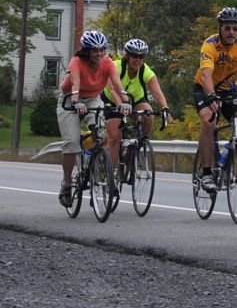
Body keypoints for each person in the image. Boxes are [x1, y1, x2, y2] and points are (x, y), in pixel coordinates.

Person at [56, 31, 131, 206]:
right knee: (72, 144)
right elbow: (75, 84)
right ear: (87, 51)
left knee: (101, 134)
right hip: (69, 99)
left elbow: (117, 83)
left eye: (102, 50)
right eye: (95, 50)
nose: (99, 54)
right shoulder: (76, 62)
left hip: (93, 98)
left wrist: (125, 102)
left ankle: (98, 169)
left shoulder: (108, 63)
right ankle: (67, 184)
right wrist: (76, 102)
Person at [192, 7, 237, 193]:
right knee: (209, 120)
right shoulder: (210, 44)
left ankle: (228, 163)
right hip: (205, 88)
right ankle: (206, 173)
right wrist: (212, 96)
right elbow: (206, 75)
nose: (231, 32)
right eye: (227, 28)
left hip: (229, 90)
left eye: (235, 29)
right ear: (220, 28)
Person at [103, 38, 173, 184]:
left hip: (134, 101)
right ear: (127, 55)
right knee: (115, 137)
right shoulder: (116, 66)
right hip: (112, 100)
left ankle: (135, 147)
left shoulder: (145, 70)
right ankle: (111, 176)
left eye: (141, 57)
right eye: (134, 56)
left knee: (148, 114)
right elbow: (112, 89)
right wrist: (121, 104)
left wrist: (165, 108)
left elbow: (156, 90)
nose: (138, 59)